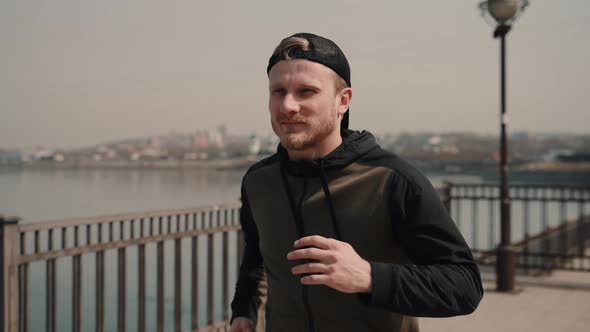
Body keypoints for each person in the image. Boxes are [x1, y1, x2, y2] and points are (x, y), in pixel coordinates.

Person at [229, 32, 483, 332]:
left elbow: (465, 286)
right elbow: (256, 257)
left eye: (306, 92)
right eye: (278, 91)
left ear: (343, 101)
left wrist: (369, 276)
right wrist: (243, 311)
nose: (287, 106)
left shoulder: (392, 179)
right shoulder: (259, 181)